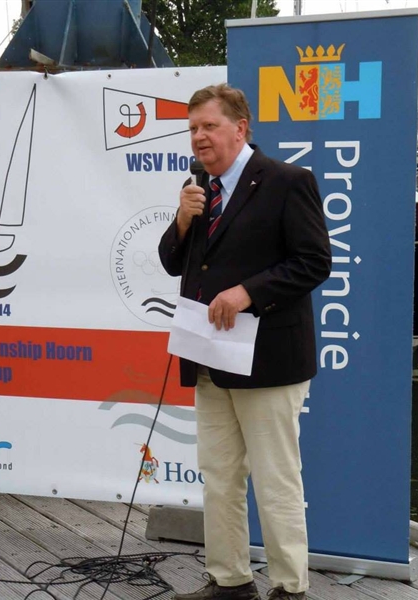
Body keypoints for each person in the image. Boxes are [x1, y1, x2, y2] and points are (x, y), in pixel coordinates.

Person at [158, 84, 332, 600]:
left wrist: (249, 293)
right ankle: (230, 581)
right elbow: (172, 262)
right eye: (193, 128)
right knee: (219, 476)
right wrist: (182, 220)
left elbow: (313, 262)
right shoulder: (198, 190)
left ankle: (290, 588)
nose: (199, 137)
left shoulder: (287, 181)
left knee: (275, 480)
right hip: (210, 358)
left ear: (240, 128)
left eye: (209, 126)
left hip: (269, 359)